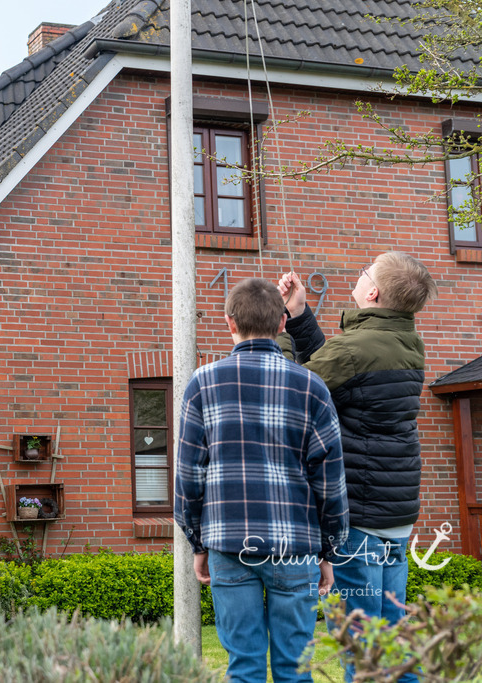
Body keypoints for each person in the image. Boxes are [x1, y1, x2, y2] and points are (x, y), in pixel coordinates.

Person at [175, 277, 349, 683]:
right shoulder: (311, 386)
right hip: (296, 546)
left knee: (245, 668)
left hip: (228, 543)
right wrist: (329, 550)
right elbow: (330, 480)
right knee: (295, 668)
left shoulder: (203, 384)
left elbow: (187, 476)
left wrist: (197, 541)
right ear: (283, 325)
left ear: (229, 323)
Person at [278, 252, 437, 683]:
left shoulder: (357, 348)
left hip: (359, 518)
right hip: (394, 516)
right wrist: (300, 315)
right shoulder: (405, 342)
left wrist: (279, 333)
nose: (360, 272)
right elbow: (342, 371)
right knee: (394, 641)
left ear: (372, 292)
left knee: (360, 642)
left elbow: (294, 391)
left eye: (366, 270)